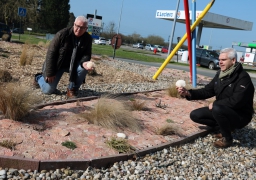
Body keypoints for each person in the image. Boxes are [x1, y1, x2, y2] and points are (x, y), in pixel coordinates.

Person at [177, 48, 254, 148]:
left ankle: (227, 138)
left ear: (233, 60)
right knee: (195, 115)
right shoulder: (220, 74)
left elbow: (237, 101)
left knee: (217, 108)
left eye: (223, 60)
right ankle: (225, 127)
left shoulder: (243, 78)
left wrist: (216, 104)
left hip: (240, 115)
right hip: (222, 110)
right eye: (219, 59)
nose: (220, 62)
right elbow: (208, 91)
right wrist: (188, 93)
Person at [34, 16, 93, 98]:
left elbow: (87, 54)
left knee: (83, 68)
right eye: (77, 26)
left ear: (86, 29)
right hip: (58, 64)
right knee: (47, 90)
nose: (79, 30)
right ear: (74, 24)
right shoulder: (62, 34)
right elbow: (51, 53)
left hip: (74, 66)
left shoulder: (88, 38)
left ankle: (72, 89)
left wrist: (84, 62)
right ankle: (38, 77)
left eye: (82, 28)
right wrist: (50, 72)